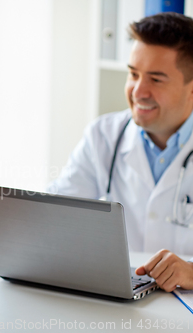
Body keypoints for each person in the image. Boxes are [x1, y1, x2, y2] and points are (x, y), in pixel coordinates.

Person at [47, 12, 193, 292]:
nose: (138, 91)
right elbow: (57, 211)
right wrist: (21, 239)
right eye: (133, 74)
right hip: (124, 304)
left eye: (156, 79)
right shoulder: (104, 135)